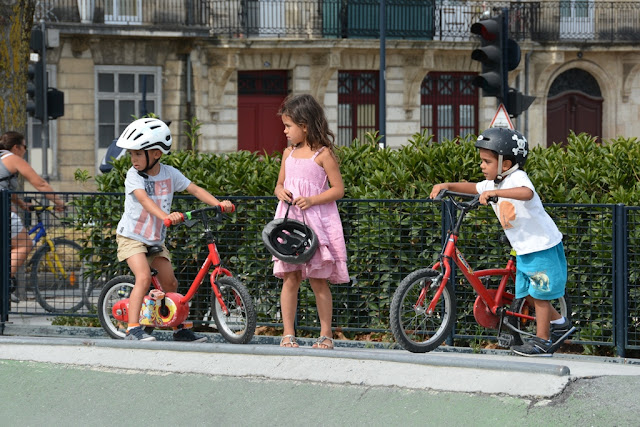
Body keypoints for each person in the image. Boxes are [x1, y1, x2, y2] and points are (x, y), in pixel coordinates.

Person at [429, 127, 574, 357]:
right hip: (524, 249)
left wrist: (500, 195)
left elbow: (526, 193)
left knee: (540, 294)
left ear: (505, 164)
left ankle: (543, 341)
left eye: (487, 161)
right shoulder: (493, 184)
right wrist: (447, 185)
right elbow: (473, 188)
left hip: (541, 246)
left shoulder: (516, 178)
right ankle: (560, 324)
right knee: (526, 293)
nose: (482, 166)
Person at [114, 118, 233, 341]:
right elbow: (144, 200)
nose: (133, 159)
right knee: (143, 277)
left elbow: (194, 189)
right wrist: (166, 216)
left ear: (156, 154)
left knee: (170, 283)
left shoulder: (169, 174)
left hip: (155, 239)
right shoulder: (133, 176)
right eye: (132, 154)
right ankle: (132, 328)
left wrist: (218, 204)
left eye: (138, 154)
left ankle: (179, 329)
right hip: (132, 237)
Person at [272, 94, 349, 349]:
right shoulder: (288, 154)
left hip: (315, 224)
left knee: (318, 279)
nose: (284, 131)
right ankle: (287, 333)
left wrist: (313, 200)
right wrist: (280, 191)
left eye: (288, 126)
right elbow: (279, 184)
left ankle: (326, 334)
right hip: (290, 222)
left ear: (304, 125)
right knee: (290, 277)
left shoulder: (323, 154)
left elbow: (338, 190)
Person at [0, 131, 66, 302]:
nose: (25, 150)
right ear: (16, 147)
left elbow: (6, 187)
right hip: (2, 211)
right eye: (24, 147)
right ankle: (3, 284)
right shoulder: (13, 159)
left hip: (5, 206)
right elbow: (40, 183)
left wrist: (21, 204)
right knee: (24, 244)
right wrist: (59, 202)